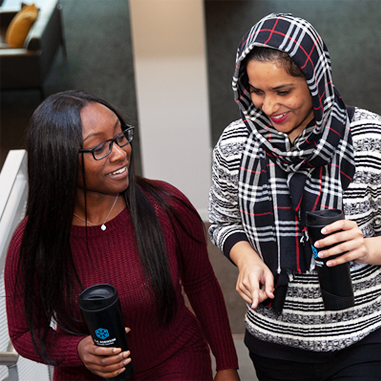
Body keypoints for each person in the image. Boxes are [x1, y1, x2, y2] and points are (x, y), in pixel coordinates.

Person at [5, 90, 240, 381]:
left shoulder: (167, 205)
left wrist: (227, 365)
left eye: (120, 136)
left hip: (176, 361)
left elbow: (202, 284)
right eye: (99, 148)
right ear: (59, 160)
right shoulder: (33, 240)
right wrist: (78, 350)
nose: (121, 153)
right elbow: (24, 332)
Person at [209, 13, 381, 381]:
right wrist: (247, 260)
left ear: (316, 81)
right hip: (274, 338)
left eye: (283, 91)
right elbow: (223, 221)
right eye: (256, 91)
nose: (269, 107)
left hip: (364, 335)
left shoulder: (369, 138)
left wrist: (366, 248)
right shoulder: (235, 144)